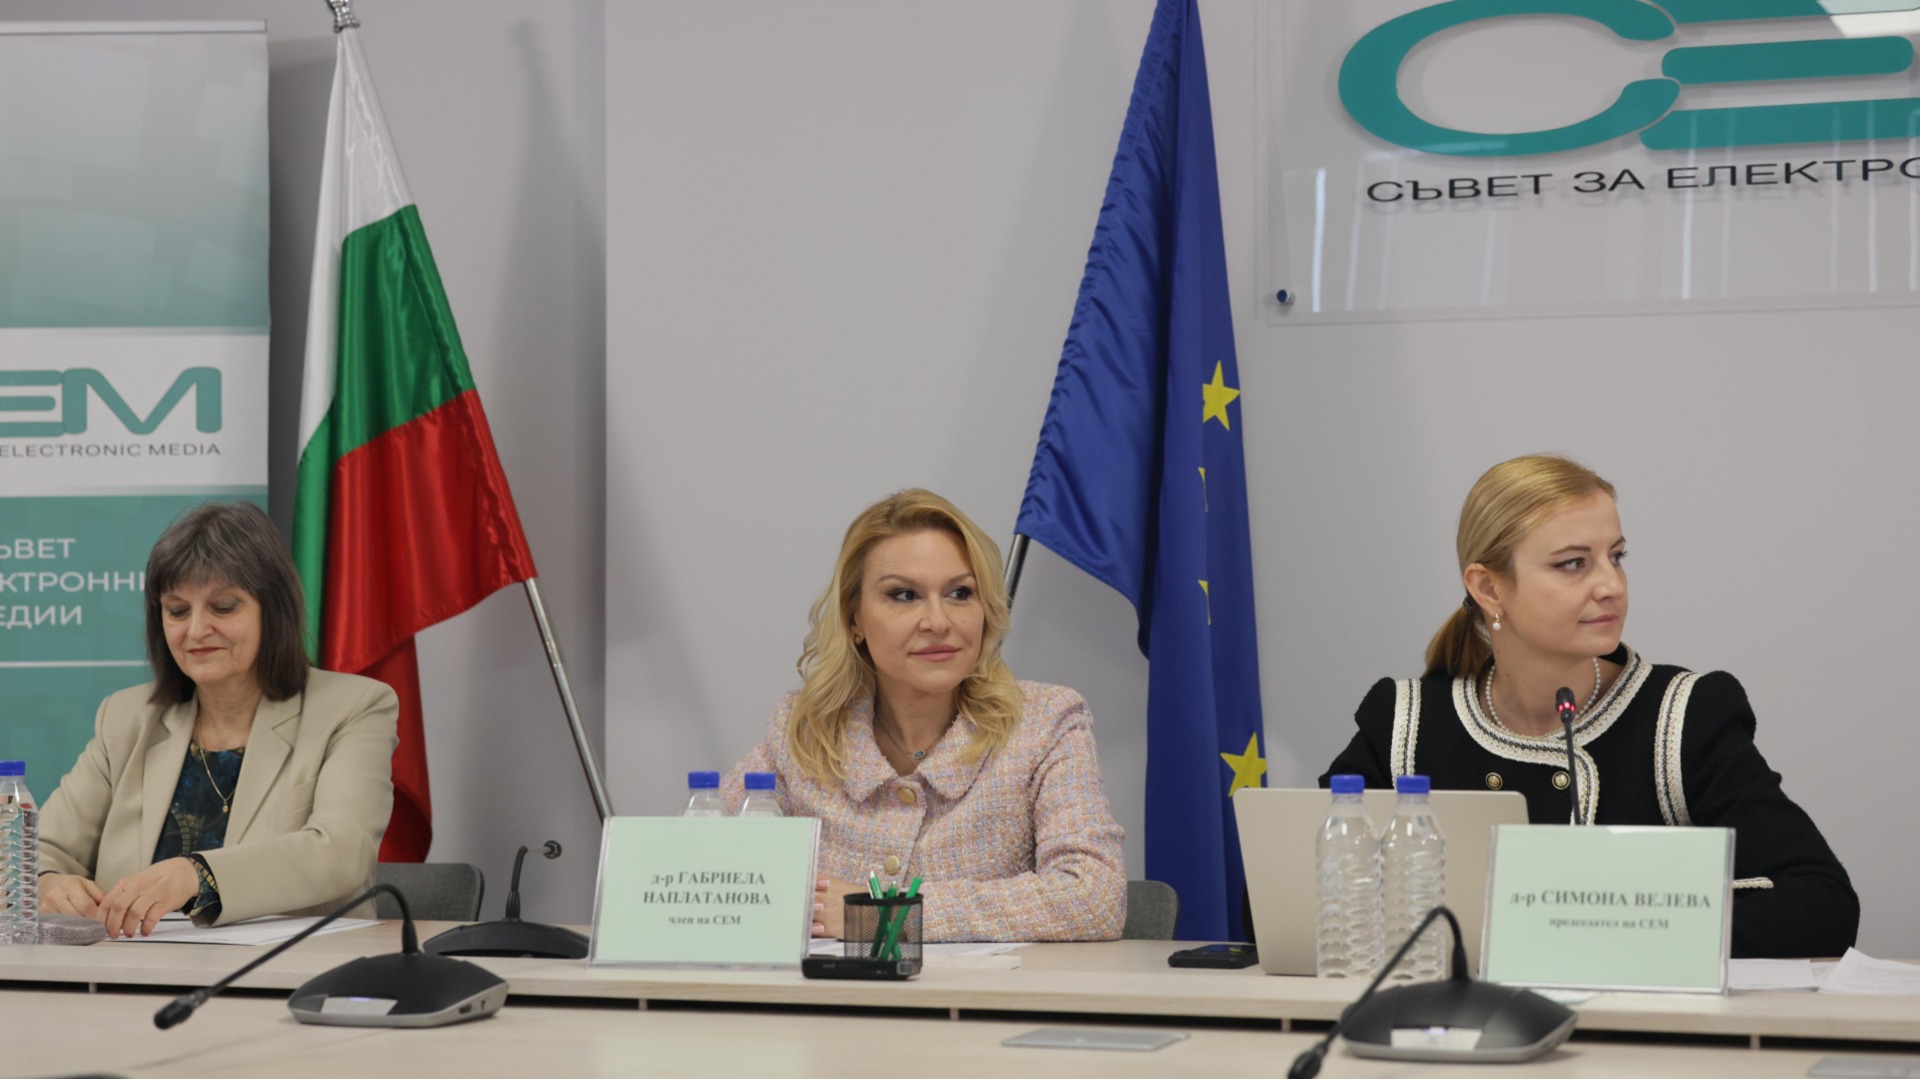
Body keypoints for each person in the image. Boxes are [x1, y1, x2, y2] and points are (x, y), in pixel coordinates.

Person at [1322, 455, 1858, 959]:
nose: (1611, 586)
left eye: (1616, 557)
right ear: (1488, 587)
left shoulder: (1682, 716)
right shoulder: (1405, 723)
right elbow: (1303, 899)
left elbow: (1823, 904)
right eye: (1573, 564)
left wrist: (1601, 923)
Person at [724, 489, 1126, 942]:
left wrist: (884, 915)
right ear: (854, 619)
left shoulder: (1045, 723)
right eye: (904, 595)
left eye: (959, 593)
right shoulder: (802, 732)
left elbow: (1095, 898)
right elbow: (693, 869)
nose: (938, 621)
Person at [36, 502, 398, 938]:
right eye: (177, 610)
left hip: (295, 971)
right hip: (131, 971)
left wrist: (196, 874)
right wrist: (48, 884)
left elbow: (342, 853)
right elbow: (36, 851)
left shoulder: (354, 707)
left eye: (223, 607)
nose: (196, 630)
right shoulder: (126, 718)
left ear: (273, 611)